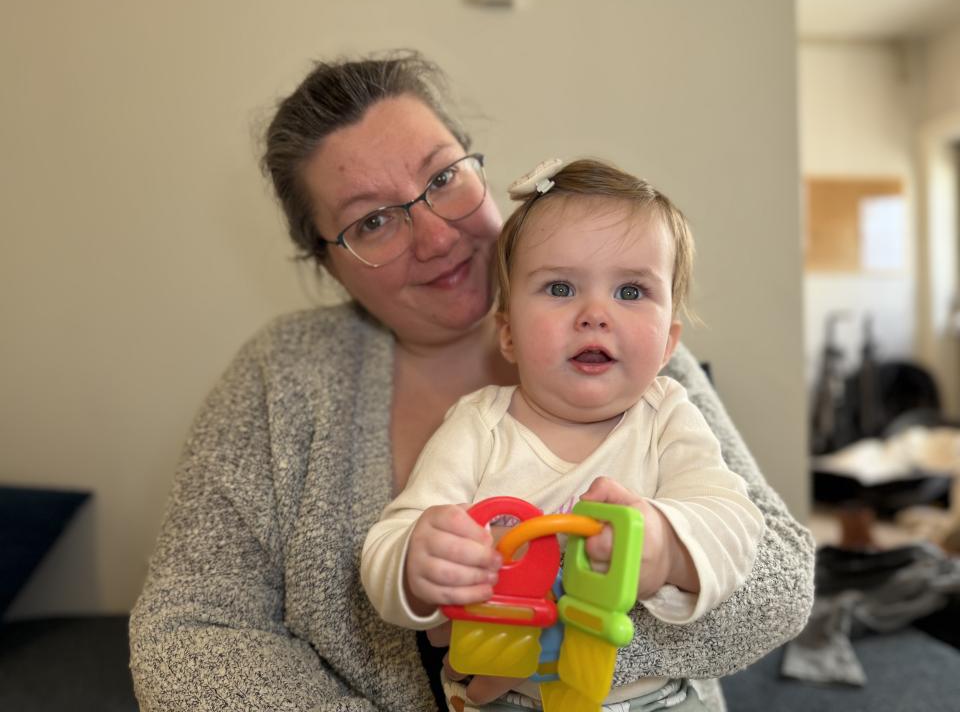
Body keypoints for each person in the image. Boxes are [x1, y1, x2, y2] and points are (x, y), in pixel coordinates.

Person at [128, 51, 815, 712]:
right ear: (328, 265)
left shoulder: (634, 364)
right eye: (372, 221)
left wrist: (551, 644)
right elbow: (189, 632)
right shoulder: (287, 377)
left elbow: (780, 581)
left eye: (443, 178)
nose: (434, 236)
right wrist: (419, 574)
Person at [361, 158, 765, 711]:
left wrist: (668, 546)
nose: (595, 314)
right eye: (559, 287)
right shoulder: (477, 426)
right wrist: (417, 563)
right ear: (507, 333)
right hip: (506, 699)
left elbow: (736, 521)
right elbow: (389, 542)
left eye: (630, 292)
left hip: (658, 700)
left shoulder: (667, 417)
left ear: (669, 343)